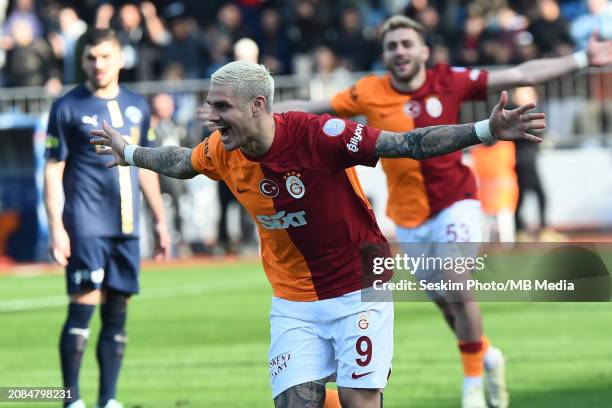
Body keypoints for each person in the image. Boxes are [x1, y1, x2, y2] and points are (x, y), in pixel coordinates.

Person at [90, 59, 544, 408]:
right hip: (294, 302)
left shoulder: (319, 135)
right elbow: (182, 163)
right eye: (211, 105)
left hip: (358, 288)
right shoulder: (221, 151)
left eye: (222, 106)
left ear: (258, 105)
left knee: (357, 400)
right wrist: (130, 152)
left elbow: (404, 143)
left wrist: (487, 130)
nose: (212, 116)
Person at [274, 15, 612, 408]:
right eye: (391, 46)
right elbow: (310, 107)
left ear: (423, 51)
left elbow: (520, 71)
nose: (399, 52)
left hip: (457, 202)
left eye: (406, 44)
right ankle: (485, 354)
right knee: (447, 306)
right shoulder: (369, 91)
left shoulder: (449, 80)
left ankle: (472, 386)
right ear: (384, 54)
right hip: (410, 217)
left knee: (456, 282)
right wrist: (253, 113)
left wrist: (582, 58)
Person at [44, 28, 169, 408]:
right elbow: (52, 169)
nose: (97, 65)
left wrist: (161, 220)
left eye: (104, 57)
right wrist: (56, 227)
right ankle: (71, 400)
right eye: (90, 58)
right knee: (82, 308)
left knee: (117, 315)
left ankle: (109, 400)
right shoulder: (67, 106)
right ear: (82, 61)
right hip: (86, 224)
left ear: (120, 59)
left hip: (127, 229)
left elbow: (146, 166)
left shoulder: (137, 105)